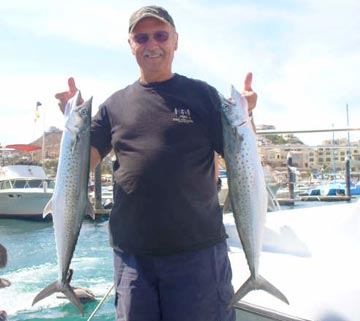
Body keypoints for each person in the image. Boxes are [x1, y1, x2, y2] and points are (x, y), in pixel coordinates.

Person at [55, 5, 257, 321]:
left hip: (199, 254)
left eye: (160, 35)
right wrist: (73, 128)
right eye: (142, 37)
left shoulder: (203, 95)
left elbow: (241, 155)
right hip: (133, 259)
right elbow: (82, 164)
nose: (152, 44)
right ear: (131, 44)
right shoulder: (114, 106)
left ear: (175, 40)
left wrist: (247, 116)